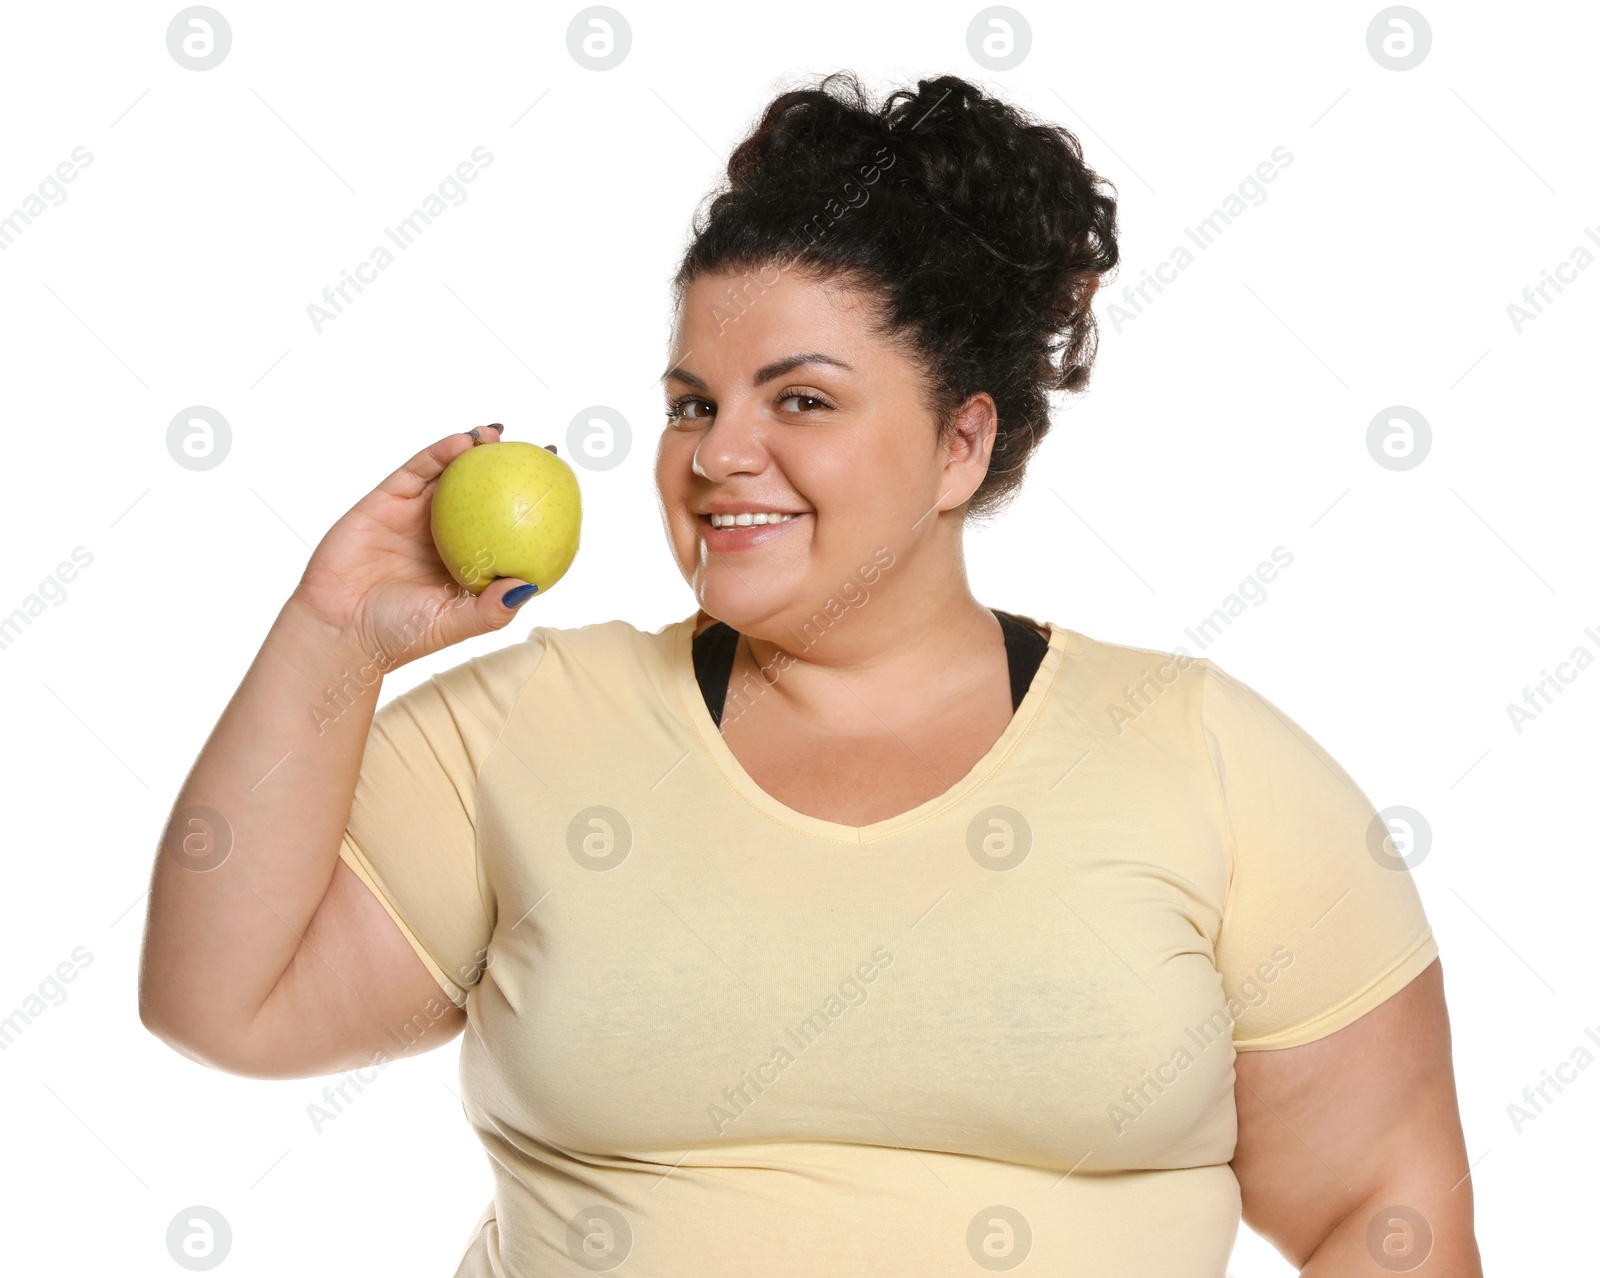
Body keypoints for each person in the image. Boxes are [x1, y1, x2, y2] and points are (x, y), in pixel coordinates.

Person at [139, 72, 1481, 1276]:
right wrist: (335, 631)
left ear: (961, 446)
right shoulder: (532, 725)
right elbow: (221, 1002)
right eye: (690, 403)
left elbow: (1382, 1207)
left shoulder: (1211, 759)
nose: (718, 454)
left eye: (801, 400)